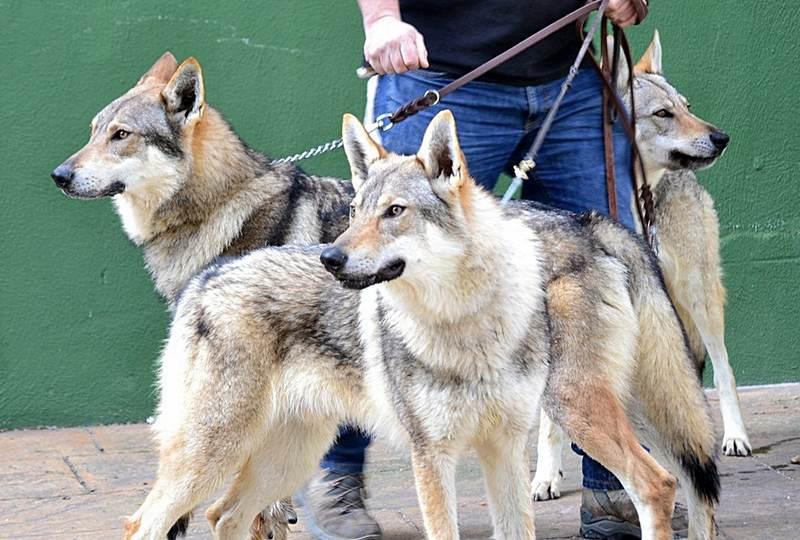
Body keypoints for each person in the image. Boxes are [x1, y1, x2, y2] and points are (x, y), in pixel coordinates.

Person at [298, 1, 686, 539]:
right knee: (375, 263)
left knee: (606, 281)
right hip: (437, 74)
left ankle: (616, 487)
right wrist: (381, 19)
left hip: (566, 74)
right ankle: (338, 473)